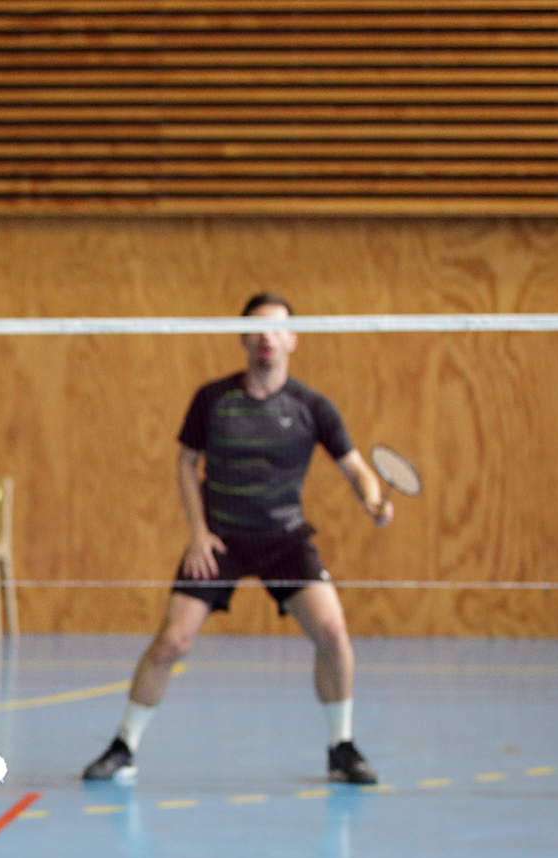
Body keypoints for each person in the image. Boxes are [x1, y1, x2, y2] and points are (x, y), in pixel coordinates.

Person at [82, 292, 391, 787]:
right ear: (243, 337)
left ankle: (342, 747)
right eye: (257, 328)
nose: (267, 337)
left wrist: (373, 501)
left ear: (292, 340)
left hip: (285, 538)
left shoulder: (312, 407)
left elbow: (355, 468)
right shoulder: (213, 400)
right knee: (171, 641)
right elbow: (186, 462)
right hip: (219, 538)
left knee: (334, 634)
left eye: (277, 329)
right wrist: (198, 532)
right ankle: (124, 746)